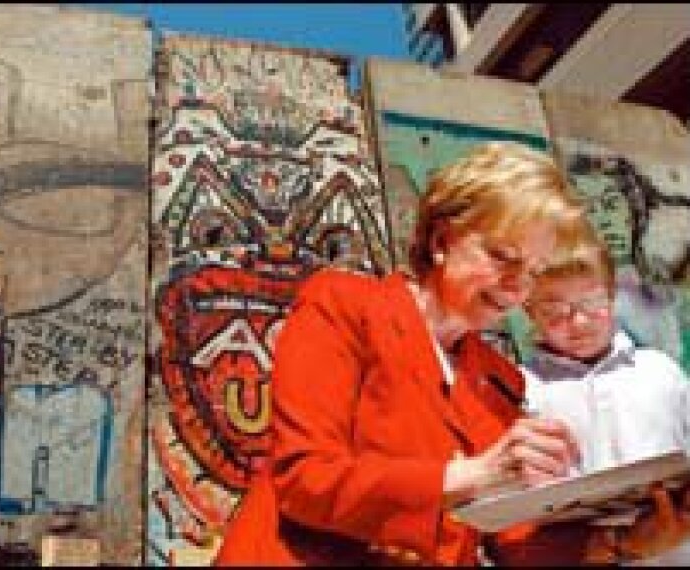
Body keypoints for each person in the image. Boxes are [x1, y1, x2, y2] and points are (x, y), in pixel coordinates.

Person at [214, 142, 690, 566]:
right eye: (503, 258)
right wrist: (469, 476)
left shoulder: (498, 378)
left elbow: (512, 540)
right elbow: (306, 480)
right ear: (442, 240)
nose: (517, 286)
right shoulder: (346, 307)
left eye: (533, 271)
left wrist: (624, 543)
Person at [521, 219, 690, 563]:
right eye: (554, 310)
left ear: (613, 297)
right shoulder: (524, 388)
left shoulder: (660, 372)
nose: (578, 322)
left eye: (592, 303)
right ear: (528, 310)